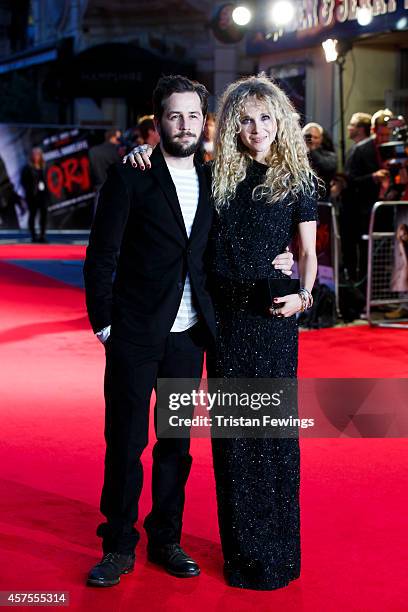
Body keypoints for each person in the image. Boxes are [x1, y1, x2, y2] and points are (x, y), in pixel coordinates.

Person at [83, 73, 297, 588]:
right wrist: (106, 325)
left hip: (190, 335)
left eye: (194, 116)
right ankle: (117, 544)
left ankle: (166, 539)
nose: (185, 124)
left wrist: (282, 261)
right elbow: (101, 256)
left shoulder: (216, 176)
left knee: (175, 445)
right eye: (175, 115)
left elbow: (244, 234)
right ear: (158, 121)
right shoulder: (131, 174)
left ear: (206, 122)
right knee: (126, 441)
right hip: (135, 333)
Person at [346, 109, 393, 282]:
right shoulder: (360, 150)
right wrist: (372, 178)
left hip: (386, 210)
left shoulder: (393, 149)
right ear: (373, 131)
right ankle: (363, 293)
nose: (385, 139)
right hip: (364, 212)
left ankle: (381, 289)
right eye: (382, 135)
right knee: (366, 253)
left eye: (388, 135)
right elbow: (350, 181)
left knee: (384, 253)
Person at [21, 147, 49, 243]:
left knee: (44, 215)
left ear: (41, 156)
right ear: (32, 156)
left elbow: (46, 180)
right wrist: (29, 191)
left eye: (38, 154)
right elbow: (23, 182)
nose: (36, 156)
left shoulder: (44, 166)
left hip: (43, 195)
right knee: (33, 215)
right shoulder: (27, 167)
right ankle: (33, 236)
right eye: (34, 154)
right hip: (32, 196)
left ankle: (42, 235)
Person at [302, 122, 337, 197]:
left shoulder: (329, 155)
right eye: (309, 137)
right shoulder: (295, 154)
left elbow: (327, 167)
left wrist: (311, 150)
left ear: (321, 139)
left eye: (315, 137)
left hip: (322, 196)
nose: (312, 140)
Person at [88, 128, 122, 192]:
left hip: (98, 188)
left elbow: (90, 171)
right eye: (119, 138)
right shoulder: (116, 152)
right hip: (114, 189)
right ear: (113, 137)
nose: (120, 141)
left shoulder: (93, 151)